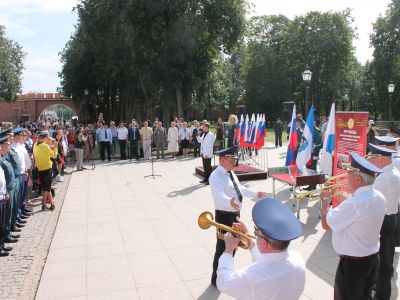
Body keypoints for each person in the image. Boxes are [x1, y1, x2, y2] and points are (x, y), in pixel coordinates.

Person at [320, 152, 386, 300]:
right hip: (372, 259)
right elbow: (358, 211)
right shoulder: (378, 196)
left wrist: (325, 201)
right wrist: (336, 195)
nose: (345, 177)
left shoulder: (354, 204)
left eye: (348, 174)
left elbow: (325, 224)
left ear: (358, 179)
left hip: (353, 266)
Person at [216, 198, 306, 299]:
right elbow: (270, 265)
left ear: (264, 243)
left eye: (256, 231)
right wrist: (249, 241)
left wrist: (228, 249)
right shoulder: (298, 258)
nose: (254, 235)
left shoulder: (253, 276)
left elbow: (223, 282)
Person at [209, 145, 266, 286]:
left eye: (235, 159)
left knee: (233, 246)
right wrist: (229, 201)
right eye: (231, 159)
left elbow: (240, 189)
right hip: (224, 215)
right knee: (222, 247)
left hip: (235, 214)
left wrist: (255, 194)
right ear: (222, 160)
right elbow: (218, 195)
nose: (235, 162)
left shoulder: (230, 172)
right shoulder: (215, 176)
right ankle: (216, 279)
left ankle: (226, 272)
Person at [366, 142, 400, 300]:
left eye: (374, 157)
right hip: (392, 216)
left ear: (381, 158)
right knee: (387, 253)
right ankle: (382, 285)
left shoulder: (383, 177)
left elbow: (369, 199)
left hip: (383, 219)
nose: (372, 159)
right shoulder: (393, 171)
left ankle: (381, 293)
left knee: (382, 259)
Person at [33, 132, 59, 210]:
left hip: (40, 169)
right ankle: (43, 204)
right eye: (47, 138)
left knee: (47, 187)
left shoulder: (35, 144)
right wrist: (55, 147)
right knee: (46, 188)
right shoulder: (45, 146)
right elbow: (53, 155)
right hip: (47, 168)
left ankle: (52, 204)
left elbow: (44, 152)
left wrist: (50, 145)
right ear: (44, 138)